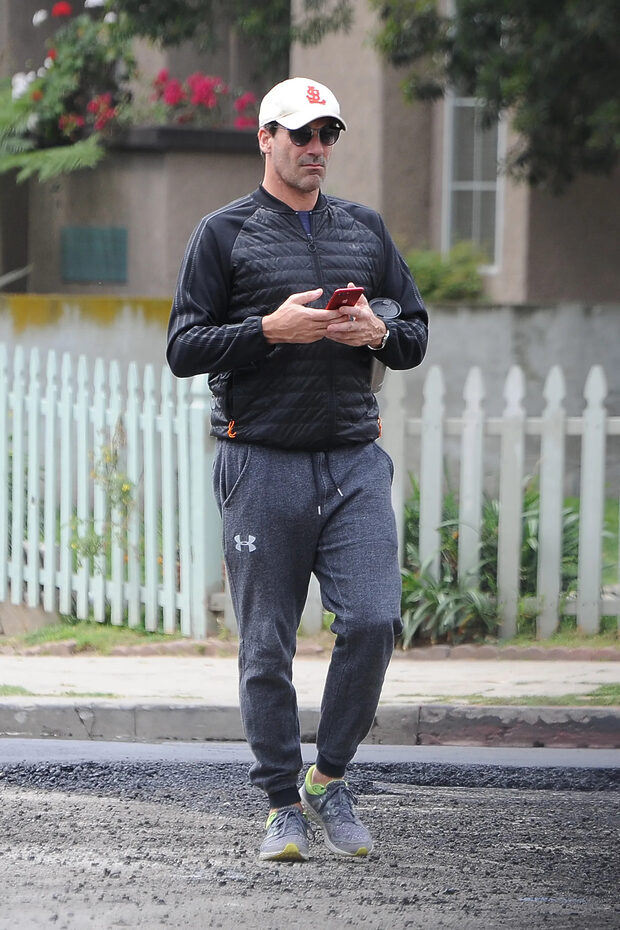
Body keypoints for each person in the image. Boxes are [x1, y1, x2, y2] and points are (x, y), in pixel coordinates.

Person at [167, 77, 428, 862]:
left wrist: (375, 330)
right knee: (266, 646)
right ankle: (282, 804)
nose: (317, 148)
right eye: (302, 134)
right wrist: (268, 331)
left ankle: (328, 778)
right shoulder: (223, 233)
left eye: (328, 135)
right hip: (261, 461)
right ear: (266, 138)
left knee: (374, 622)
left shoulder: (365, 228)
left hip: (353, 460)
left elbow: (413, 334)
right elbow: (183, 346)